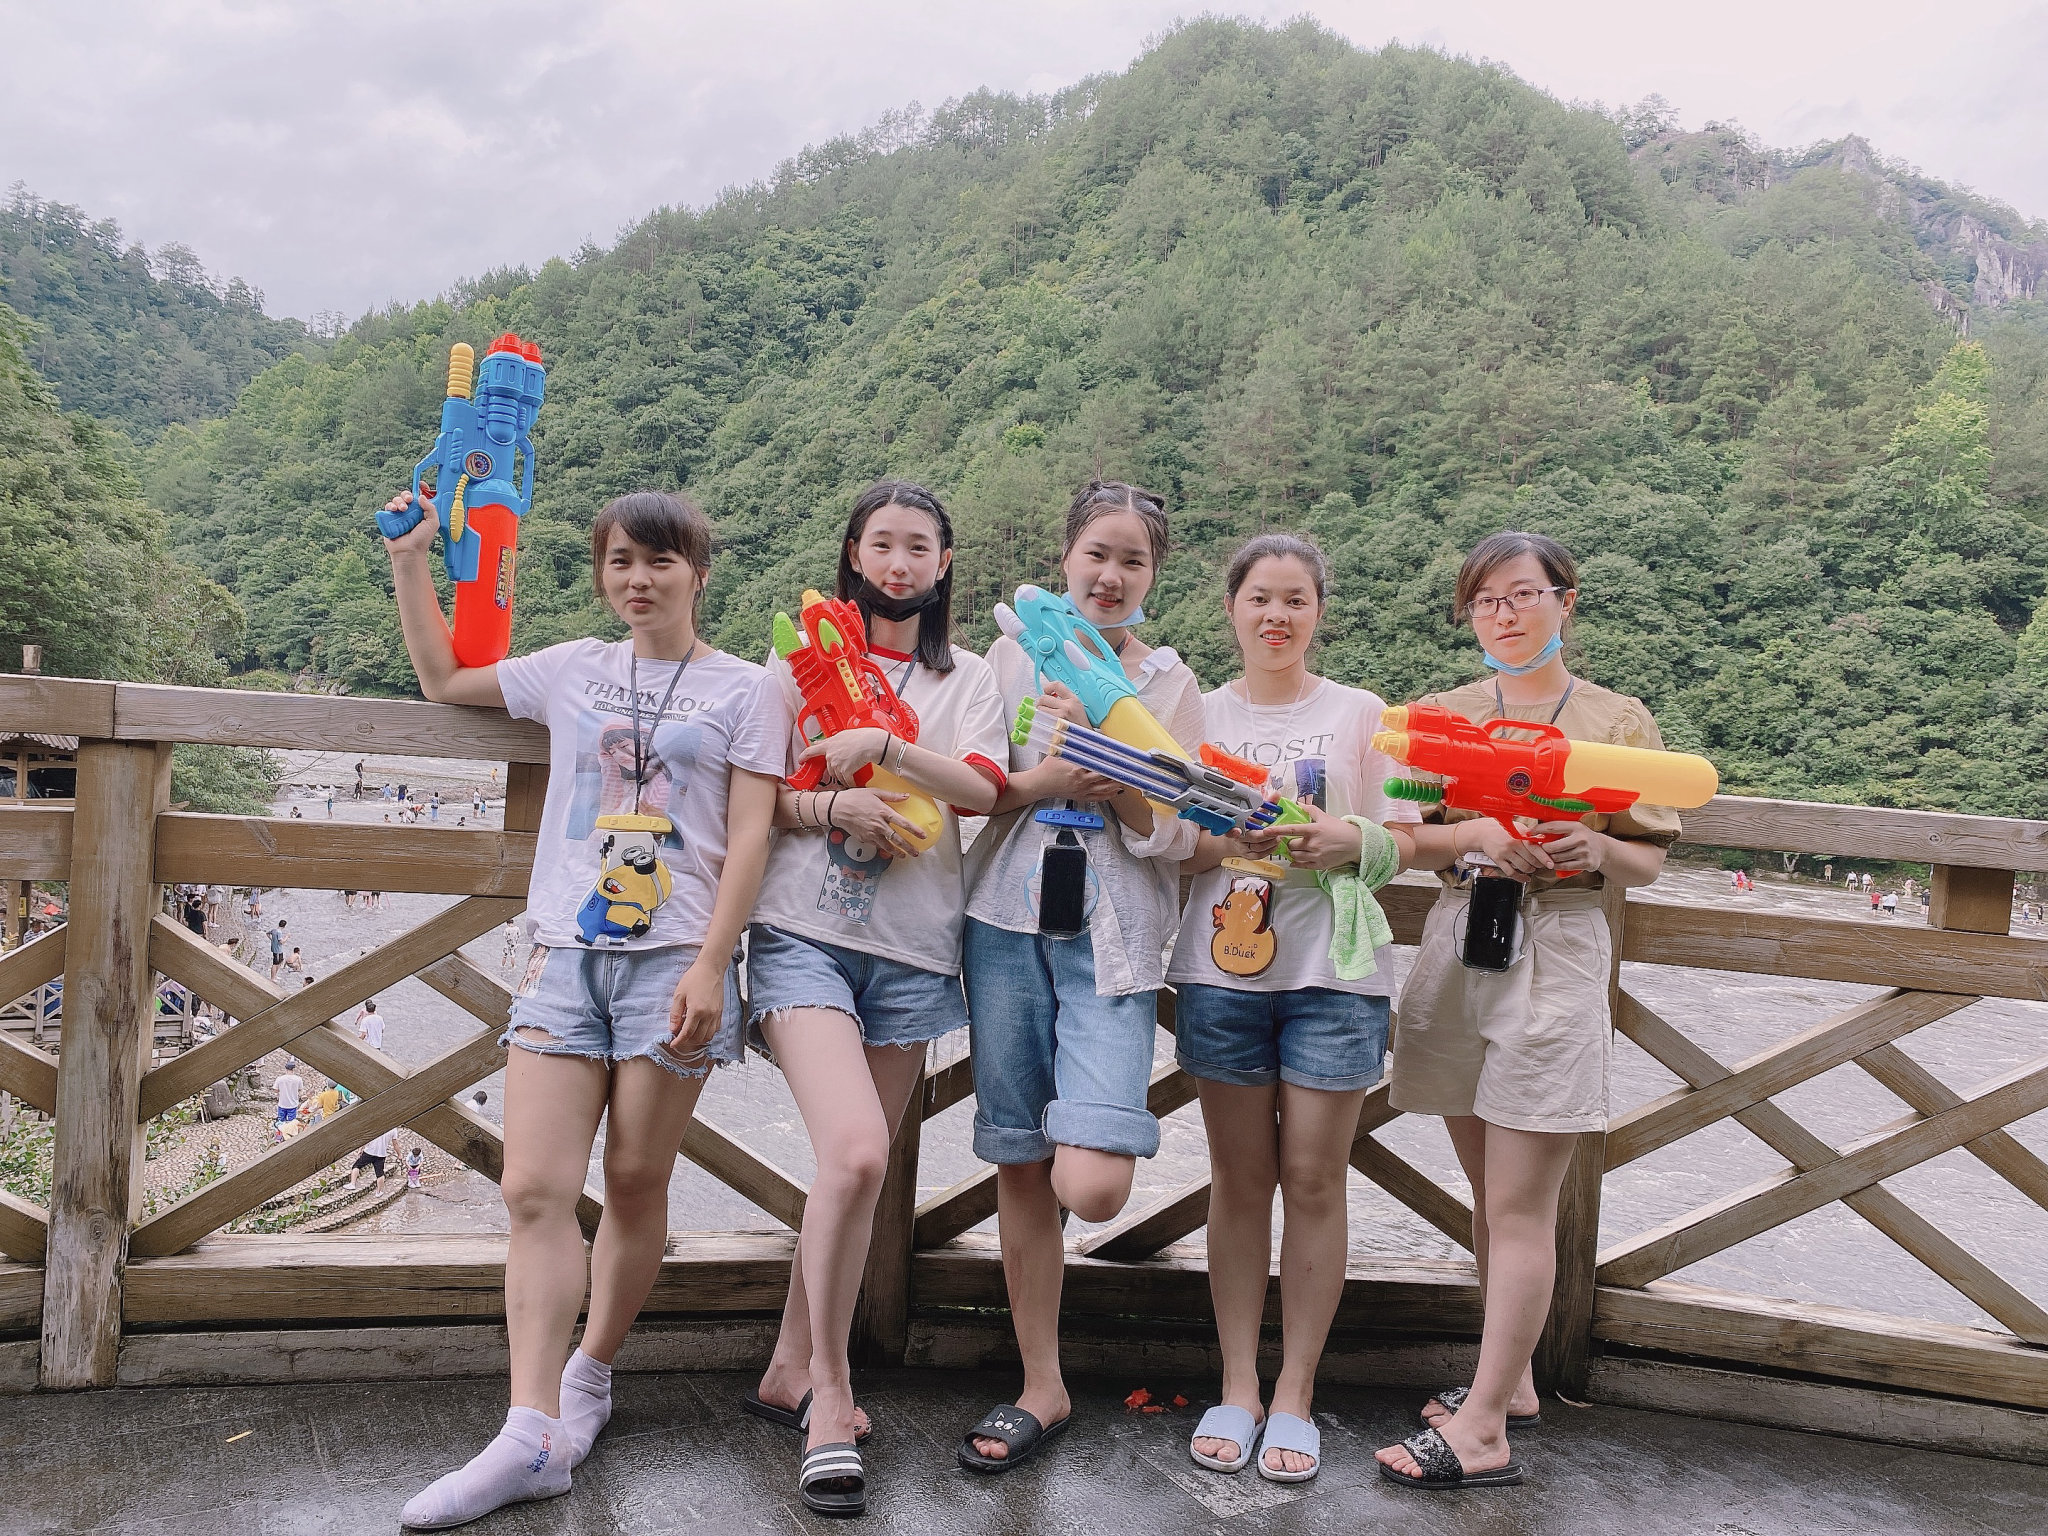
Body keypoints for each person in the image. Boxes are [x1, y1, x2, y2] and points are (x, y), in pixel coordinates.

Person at [383, 485, 786, 1530]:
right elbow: (441, 679)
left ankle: (590, 1373)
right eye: (619, 562)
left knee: (637, 1179)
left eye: (659, 561)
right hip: (564, 953)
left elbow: (750, 835)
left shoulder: (749, 689)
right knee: (533, 1186)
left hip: (675, 962)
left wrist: (713, 964)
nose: (637, 580)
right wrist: (412, 560)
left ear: (699, 572)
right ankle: (529, 1432)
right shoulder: (569, 668)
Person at [1375, 531, 1681, 1492]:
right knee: (1488, 1190)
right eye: (1484, 600)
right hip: (1463, 934)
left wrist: (1596, 847)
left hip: (1559, 944)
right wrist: (1475, 835)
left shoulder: (1615, 721)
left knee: (1517, 1206)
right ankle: (1506, 1388)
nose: (1503, 614)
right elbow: (1406, 838)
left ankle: (1481, 1432)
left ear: (1564, 599)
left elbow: (1647, 857)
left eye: (1521, 594)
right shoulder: (1442, 716)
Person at [744, 480, 1005, 1516]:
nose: (899, 563)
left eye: (918, 547)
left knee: (851, 1173)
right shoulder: (792, 662)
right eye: (881, 544)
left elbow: (984, 789)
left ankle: (786, 1367)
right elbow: (756, 796)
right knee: (855, 1154)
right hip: (802, 933)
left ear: (944, 564)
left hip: (912, 951)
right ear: (852, 554)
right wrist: (832, 807)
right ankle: (831, 1396)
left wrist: (889, 751)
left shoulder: (968, 677)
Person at [958, 481, 1202, 1475]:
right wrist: (1049, 773)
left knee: (1090, 1183)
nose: (1110, 575)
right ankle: (1040, 1383)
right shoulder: (1010, 658)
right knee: (1019, 1161)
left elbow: (1178, 832)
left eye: (1132, 560)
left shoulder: (1168, 684)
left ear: (1153, 575)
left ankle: (1051, 1345)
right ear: (1065, 557)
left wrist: (1119, 771)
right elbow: (976, 789)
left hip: (1115, 939)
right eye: (1096, 553)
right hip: (1002, 922)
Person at [1170, 534, 1418, 1484]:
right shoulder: (1195, 713)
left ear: (1319, 611)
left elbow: (1407, 837)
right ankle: (1237, 1384)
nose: (1276, 615)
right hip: (1221, 971)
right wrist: (1229, 836)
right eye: (1259, 598)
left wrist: (1347, 839)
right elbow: (1174, 846)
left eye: (1295, 600)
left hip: (1335, 976)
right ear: (1231, 607)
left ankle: (1295, 1393)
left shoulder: (1363, 713)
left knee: (1314, 1180)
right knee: (1238, 1180)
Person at [273, 1059, 304, 1128]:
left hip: (282, 1103)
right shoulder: (298, 1079)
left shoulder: (280, 1079)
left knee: (280, 1122)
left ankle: (281, 1133)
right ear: (293, 1069)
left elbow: (275, 1090)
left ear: (286, 1069)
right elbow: (300, 1090)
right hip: (293, 1104)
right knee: (291, 1123)